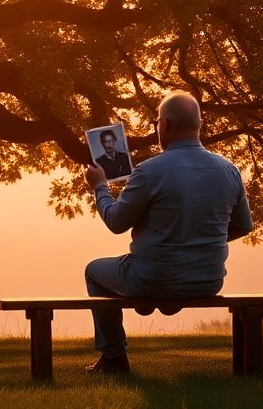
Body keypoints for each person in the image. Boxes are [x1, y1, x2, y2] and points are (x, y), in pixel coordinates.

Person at [82, 91, 253, 374]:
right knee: (151, 274)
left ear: (166, 125)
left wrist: (100, 186)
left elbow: (116, 222)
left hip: (153, 276)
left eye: (156, 122)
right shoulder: (229, 170)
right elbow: (243, 226)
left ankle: (113, 359)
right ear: (200, 124)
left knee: (93, 271)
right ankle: (156, 300)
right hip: (207, 280)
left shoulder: (149, 171)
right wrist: (195, 242)